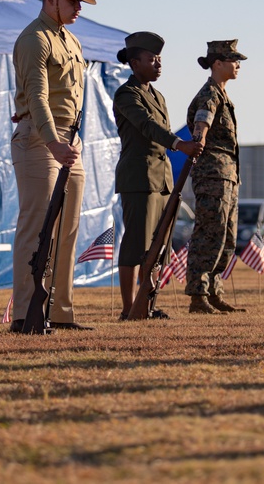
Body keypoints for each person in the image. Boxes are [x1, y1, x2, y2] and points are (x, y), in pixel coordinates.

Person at [9, 0, 94, 333]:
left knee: (67, 230)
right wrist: (53, 141)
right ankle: (25, 314)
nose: (79, 9)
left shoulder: (70, 40)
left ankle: (59, 312)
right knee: (36, 226)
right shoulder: (34, 39)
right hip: (41, 139)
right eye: (73, 2)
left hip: (68, 141)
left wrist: (66, 143)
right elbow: (38, 97)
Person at [112, 31, 203, 320]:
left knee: (159, 246)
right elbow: (147, 126)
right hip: (139, 177)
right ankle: (129, 308)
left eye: (160, 59)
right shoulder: (127, 94)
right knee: (136, 244)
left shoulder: (157, 95)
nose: (158, 64)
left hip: (161, 179)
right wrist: (180, 144)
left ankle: (146, 305)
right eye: (152, 59)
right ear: (135, 63)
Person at [184, 39, 247, 315]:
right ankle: (198, 296)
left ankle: (213, 291)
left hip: (227, 176)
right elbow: (202, 123)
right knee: (210, 233)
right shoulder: (209, 93)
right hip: (212, 176)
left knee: (227, 237)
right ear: (217, 64)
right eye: (233, 60)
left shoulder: (223, 95)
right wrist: (198, 140)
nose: (238, 65)